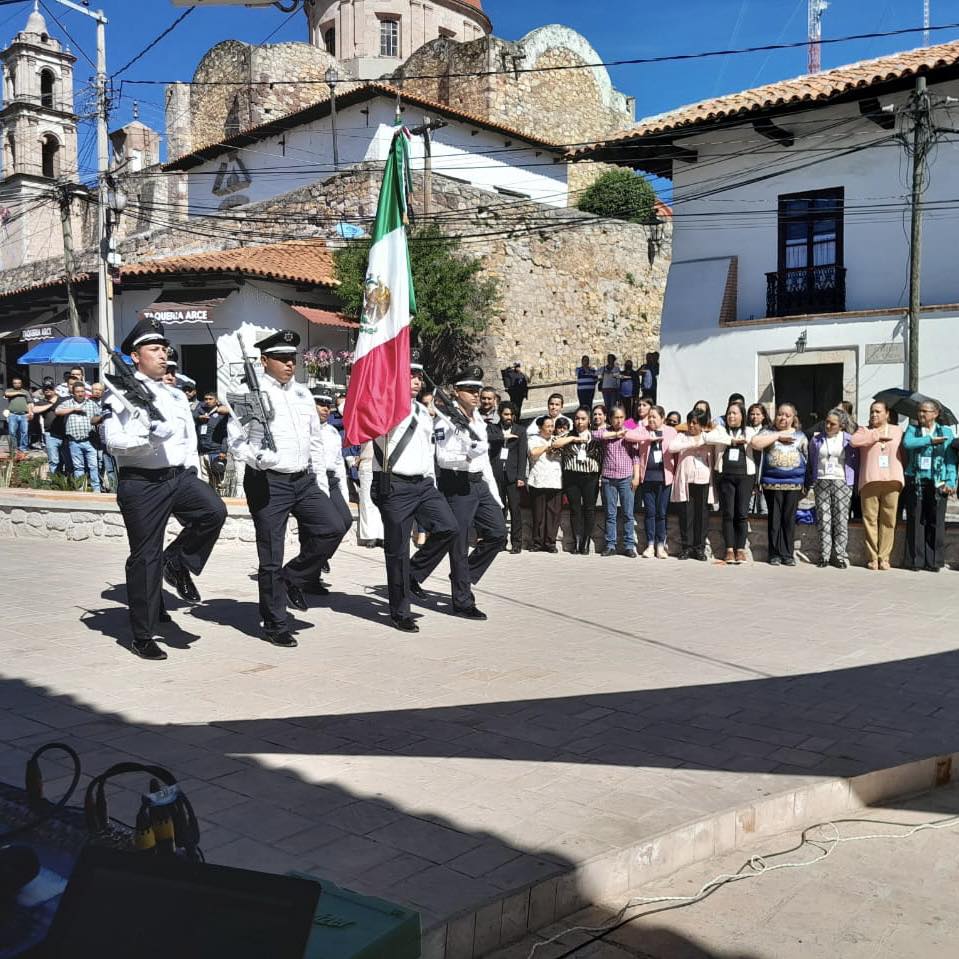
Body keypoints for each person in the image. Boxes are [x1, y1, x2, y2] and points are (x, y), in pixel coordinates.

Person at [103, 318, 227, 661]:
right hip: (141, 483)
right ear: (134, 355)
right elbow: (113, 441)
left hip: (178, 477)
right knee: (145, 557)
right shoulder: (121, 391)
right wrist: (146, 438)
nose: (163, 354)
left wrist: (191, 472)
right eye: (155, 349)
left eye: (164, 349)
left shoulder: (173, 394)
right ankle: (142, 634)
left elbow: (187, 439)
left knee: (213, 512)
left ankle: (178, 561)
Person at [228, 330, 350, 648]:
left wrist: (320, 483)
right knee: (271, 555)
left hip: (303, 479)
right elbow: (236, 439)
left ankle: (291, 579)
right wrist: (259, 458)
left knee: (333, 527)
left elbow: (314, 442)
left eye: (292, 358)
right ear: (264, 360)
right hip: (268, 481)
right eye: (282, 358)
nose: (289, 364)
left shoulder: (302, 394)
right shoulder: (248, 393)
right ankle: (274, 622)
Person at [410, 365, 506, 620]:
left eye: (478, 390)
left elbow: (484, 460)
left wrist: (494, 496)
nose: (476, 395)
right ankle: (462, 601)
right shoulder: (445, 419)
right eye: (470, 390)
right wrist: (467, 449)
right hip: (457, 484)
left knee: (498, 533)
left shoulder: (478, 421)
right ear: (456, 392)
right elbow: (442, 457)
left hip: (479, 483)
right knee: (458, 545)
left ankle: (454, 573)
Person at [369, 353, 457, 632]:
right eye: (411, 376)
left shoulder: (421, 410)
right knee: (396, 550)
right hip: (395, 484)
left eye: (419, 376)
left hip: (422, 484)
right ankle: (399, 611)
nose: (418, 381)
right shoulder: (386, 405)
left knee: (449, 527)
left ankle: (412, 575)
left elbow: (425, 449)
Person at [750, 403, 809, 567]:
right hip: (772, 484)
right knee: (774, 519)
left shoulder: (800, 436)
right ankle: (774, 553)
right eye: (780, 414)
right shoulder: (768, 432)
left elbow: (807, 458)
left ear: (793, 418)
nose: (783, 418)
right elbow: (755, 443)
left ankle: (787, 554)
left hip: (794, 484)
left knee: (788, 520)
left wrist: (807, 484)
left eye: (787, 415)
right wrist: (777, 436)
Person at [901, 400, 957, 572]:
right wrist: (930, 441)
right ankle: (915, 560)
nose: (921, 414)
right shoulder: (913, 430)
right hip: (916, 480)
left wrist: (951, 481)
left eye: (925, 411)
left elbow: (950, 460)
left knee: (936, 521)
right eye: (919, 411)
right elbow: (908, 444)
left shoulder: (946, 432)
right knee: (916, 519)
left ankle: (934, 561)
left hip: (938, 481)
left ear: (935, 413)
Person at [851, 400, 905, 570]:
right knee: (870, 520)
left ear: (887, 414)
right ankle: (872, 557)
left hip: (892, 479)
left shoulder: (897, 430)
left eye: (878, 411)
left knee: (889, 520)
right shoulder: (864, 431)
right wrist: (876, 436)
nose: (874, 414)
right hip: (870, 480)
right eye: (872, 411)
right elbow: (855, 441)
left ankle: (884, 557)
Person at [310, 391, 353, 591]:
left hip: (331, 479)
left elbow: (338, 464)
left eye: (328, 405)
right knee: (313, 530)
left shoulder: (333, 433)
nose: (326, 409)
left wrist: (343, 494)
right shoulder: (304, 429)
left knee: (344, 520)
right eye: (320, 404)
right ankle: (311, 578)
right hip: (311, 479)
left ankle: (322, 555)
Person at [807, 408, 857, 569]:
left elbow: (855, 461)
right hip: (822, 480)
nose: (828, 426)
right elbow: (812, 460)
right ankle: (824, 555)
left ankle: (840, 555)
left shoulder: (849, 440)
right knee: (824, 519)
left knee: (841, 519)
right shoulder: (817, 440)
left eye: (832, 424)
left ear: (841, 425)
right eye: (826, 422)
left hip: (841, 481)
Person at [667, 409, 719, 561]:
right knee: (686, 515)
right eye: (690, 422)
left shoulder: (708, 437)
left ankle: (699, 548)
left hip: (703, 480)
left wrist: (702, 438)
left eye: (695, 423)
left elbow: (722, 436)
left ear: (702, 424)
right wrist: (693, 442)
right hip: (686, 481)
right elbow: (672, 447)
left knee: (701, 516)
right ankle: (686, 548)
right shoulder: (682, 436)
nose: (691, 425)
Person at [709, 401, 757, 564]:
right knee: (728, 513)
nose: (731, 416)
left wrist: (743, 440)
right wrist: (733, 441)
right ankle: (729, 549)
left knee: (742, 514)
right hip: (725, 476)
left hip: (745, 476)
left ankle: (740, 549)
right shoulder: (721, 430)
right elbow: (710, 437)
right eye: (729, 413)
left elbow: (755, 442)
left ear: (742, 416)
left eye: (735, 413)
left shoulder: (749, 431)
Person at [626, 405, 676, 559]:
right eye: (650, 416)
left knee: (661, 513)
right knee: (650, 512)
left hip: (665, 478)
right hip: (647, 478)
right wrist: (648, 437)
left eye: (655, 417)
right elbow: (628, 434)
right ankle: (650, 544)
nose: (652, 419)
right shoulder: (643, 429)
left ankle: (661, 545)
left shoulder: (670, 431)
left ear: (663, 418)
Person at [593, 404, 640, 557]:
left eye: (621, 417)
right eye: (615, 417)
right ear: (610, 419)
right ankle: (610, 544)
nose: (619, 420)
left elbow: (636, 452)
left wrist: (636, 476)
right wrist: (616, 434)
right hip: (608, 477)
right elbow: (595, 435)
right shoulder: (605, 431)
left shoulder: (630, 428)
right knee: (610, 514)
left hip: (626, 477)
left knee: (628, 513)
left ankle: (629, 545)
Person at [562, 407, 601, 555]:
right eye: (577, 418)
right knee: (575, 509)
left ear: (589, 420)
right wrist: (573, 439)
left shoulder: (596, 436)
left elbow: (628, 427)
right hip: (572, 476)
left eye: (583, 418)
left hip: (590, 477)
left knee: (589, 509)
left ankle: (585, 542)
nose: (579, 421)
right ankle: (577, 541)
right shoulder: (568, 435)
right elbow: (555, 443)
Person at [526, 416, 566, 552]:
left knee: (553, 514)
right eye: (547, 426)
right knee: (538, 514)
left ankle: (550, 543)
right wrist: (549, 446)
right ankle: (537, 543)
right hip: (538, 481)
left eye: (552, 426)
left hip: (555, 480)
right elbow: (533, 453)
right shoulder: (533, 439)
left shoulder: (557, 439)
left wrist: (555, 443)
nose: (550, 429)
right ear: (540, 427)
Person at [57, 380, 105, 492]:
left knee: (93, 466)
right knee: (78, 467)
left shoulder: (91, 404)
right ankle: (80, 490)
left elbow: (98, 417)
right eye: (78, 391)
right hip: (74, 441)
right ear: (73, 393)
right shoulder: (68, 403)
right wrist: (73, 410)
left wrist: (100, 418)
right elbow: (58, 411)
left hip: (90, 440)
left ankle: (96, 490)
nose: (80, 394)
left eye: (82, 391)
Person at [495, 401, 527, 554]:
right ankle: (501, 541)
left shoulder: (520, 430)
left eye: (510, 414)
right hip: (497, 475)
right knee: (500, 509)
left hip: (513, 476)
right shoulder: (493, 429)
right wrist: (503, 436)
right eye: (505, 414)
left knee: (515, 510)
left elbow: (522, 455)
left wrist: (521, 476)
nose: (508, 417)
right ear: (500, 414)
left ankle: (516, 543)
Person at [193, 391, 230, 485]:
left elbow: (225, 434)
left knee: (218, 481)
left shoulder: (222, 414)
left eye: (210, 399)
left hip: (216, 451)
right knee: (204, 481)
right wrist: (198, 418)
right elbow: (190, 415)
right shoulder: (200, 411)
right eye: (206, 399)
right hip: (202, 451)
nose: (208, 401)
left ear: (216, 400)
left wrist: (223, 451)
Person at [356, 441, 385, 547]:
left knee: (383, 502)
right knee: (367, 501)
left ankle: (383, 535)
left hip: (383, 466)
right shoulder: (362, 427)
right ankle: (370, 536)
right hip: (367, 464)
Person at [33, 382, 66, 475]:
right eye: (45, 388)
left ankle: (65, 481)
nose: (48, 390)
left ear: (54, 389)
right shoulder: (41, 402)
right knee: (54, 460)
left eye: (50, 388)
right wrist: (51, 404)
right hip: (50, 434)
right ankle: (55, 481)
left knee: (65, 460)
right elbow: (35, 410)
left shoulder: (62, 400)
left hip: (65, 434)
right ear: (43, 390)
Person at [746, 403, 771, 515]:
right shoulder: (745, 430)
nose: (755, 417)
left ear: (763, 416)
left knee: (764, 508)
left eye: (758, 414)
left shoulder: (769, 431)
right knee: (748, 507)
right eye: (752, 414)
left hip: (763, 472)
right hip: (749, 471)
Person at [3, 377, 33, 453]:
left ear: (21, 383)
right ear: (13, 384)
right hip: (13, 414)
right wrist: (19, 393)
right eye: (15, 383)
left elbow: (29, 403)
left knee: (24, 432)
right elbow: (6, 394)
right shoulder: (9, 390)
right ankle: (14, 448)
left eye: (19, 383)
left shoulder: (26, 392)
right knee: (12, 432)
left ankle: (23, 448)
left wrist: (30, 412)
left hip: (24, 415)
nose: (17, 384)